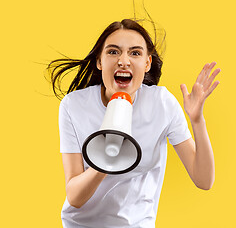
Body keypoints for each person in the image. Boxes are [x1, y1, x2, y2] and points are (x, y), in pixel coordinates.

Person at [48, 18, 220, 228]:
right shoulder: (73, 105)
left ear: (147, 63)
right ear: (100, 61)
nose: (123, 61)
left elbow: (204, 180)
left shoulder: (161, 103)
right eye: (113, 52)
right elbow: (74, 196)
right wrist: (107, 160)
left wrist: (197, 120)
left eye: (135, 53)